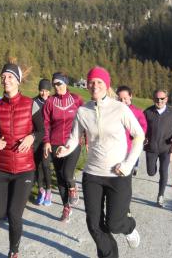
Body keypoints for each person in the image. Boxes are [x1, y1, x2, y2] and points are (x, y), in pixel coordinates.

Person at [57, 66, 144, 258]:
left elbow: (139, 135)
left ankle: (129, 227)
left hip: (118, 175)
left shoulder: (120, 108)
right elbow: (74, 138)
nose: (94, 85)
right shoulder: (82, 111)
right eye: (91, 82)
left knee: (114, 223)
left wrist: (128, 164)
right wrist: (66, 148)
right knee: (94, 225)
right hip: (92, 175)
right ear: (87, 85)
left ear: (106, 85)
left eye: (99, 82)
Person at [0, 62, 44, 258]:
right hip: (0, 168)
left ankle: (14, 251)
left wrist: (31, 137)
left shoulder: (31, 104)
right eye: (3, 76)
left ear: (18, 81)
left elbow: (41, 131)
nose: (5, 79)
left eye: (10, 76)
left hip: (24, 168)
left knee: (14, 214)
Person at [42, 72, 83, 222]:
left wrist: (87, 138)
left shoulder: (77, 100)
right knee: (59, 176)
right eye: (54, 84)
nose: (56, 86)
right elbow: (45, 123)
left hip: (72, 143)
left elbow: (85, 119)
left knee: (67, 173)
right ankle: (66, 207)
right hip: (54, 143)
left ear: (65, 83)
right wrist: (46, 141)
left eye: (59, 83)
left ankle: (73, 187)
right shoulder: (50, 102)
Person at [144, 89, 172, 207]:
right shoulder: (148, 112)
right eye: (157, 99)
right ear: (154, 99)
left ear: (166, 99)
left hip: (166, 149)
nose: (159, 101)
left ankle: (160, 196)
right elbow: (141, 128)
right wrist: (143, 138)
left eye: (162, 99)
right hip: (151, 148)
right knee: (151, 172)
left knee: (163, 171)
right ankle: (152, 167)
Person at [116, 85, 148, 176]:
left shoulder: (137, 112)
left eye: (125, 98)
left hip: (129, 147)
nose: (122, 101)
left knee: (124, 173)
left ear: (130, 96)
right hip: (114, 147)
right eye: (120, 99)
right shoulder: (114, 110)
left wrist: (134, 136)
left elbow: (143, 128)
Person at [33, 79, 53, 206]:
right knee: (37, 165)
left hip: (48, 139)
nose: (44, 93)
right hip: (36, 139)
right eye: (41, 90)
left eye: (46, 90)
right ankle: (41, 190)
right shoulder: (33, 102)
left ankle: (49, 191)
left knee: (45, 165)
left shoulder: (52, 102)